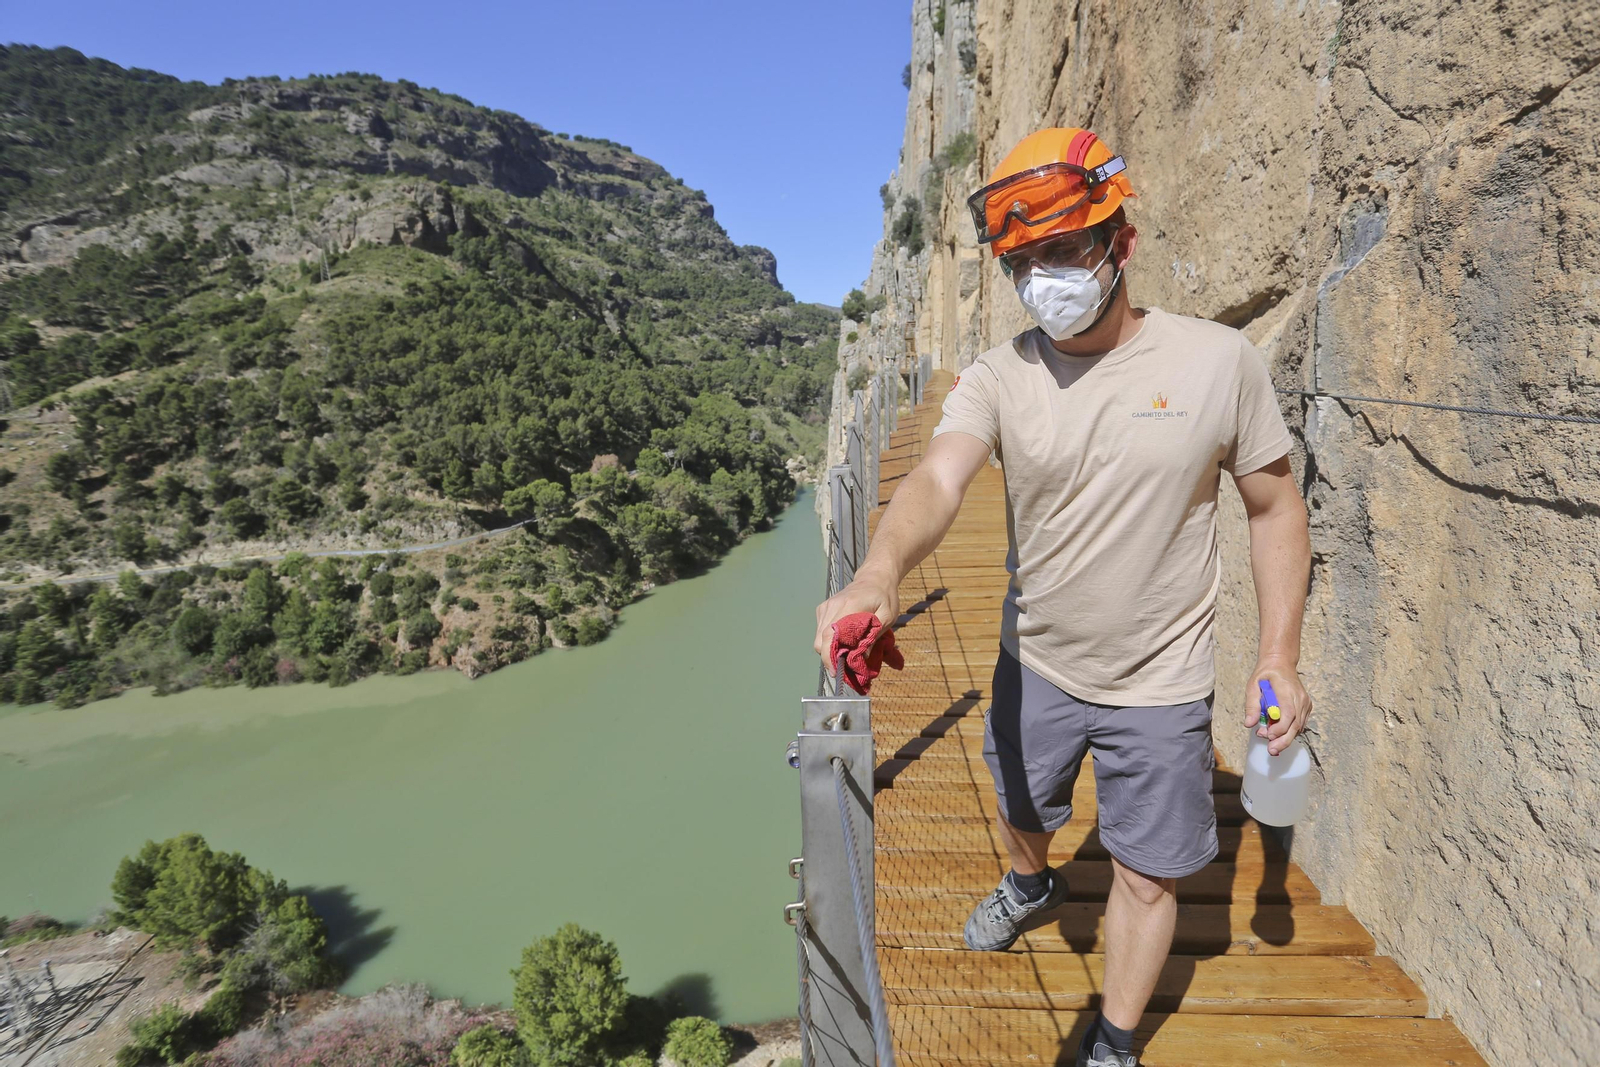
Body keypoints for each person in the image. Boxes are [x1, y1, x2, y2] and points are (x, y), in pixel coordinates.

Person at [812, 127, 1314, 1067]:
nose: (1043, 277)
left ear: (1121, 242)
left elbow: (1274, 505)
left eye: (1064, 249)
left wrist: (1277, 654)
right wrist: (878, 573)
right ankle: (1032, 883)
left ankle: (1115, 1041)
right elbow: (937, 479)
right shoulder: (1000, 376)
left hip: (1163, 683)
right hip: (1035, 658)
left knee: (1147, 877)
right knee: (1021, 808)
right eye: (1022, 260)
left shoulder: (1217, 362)